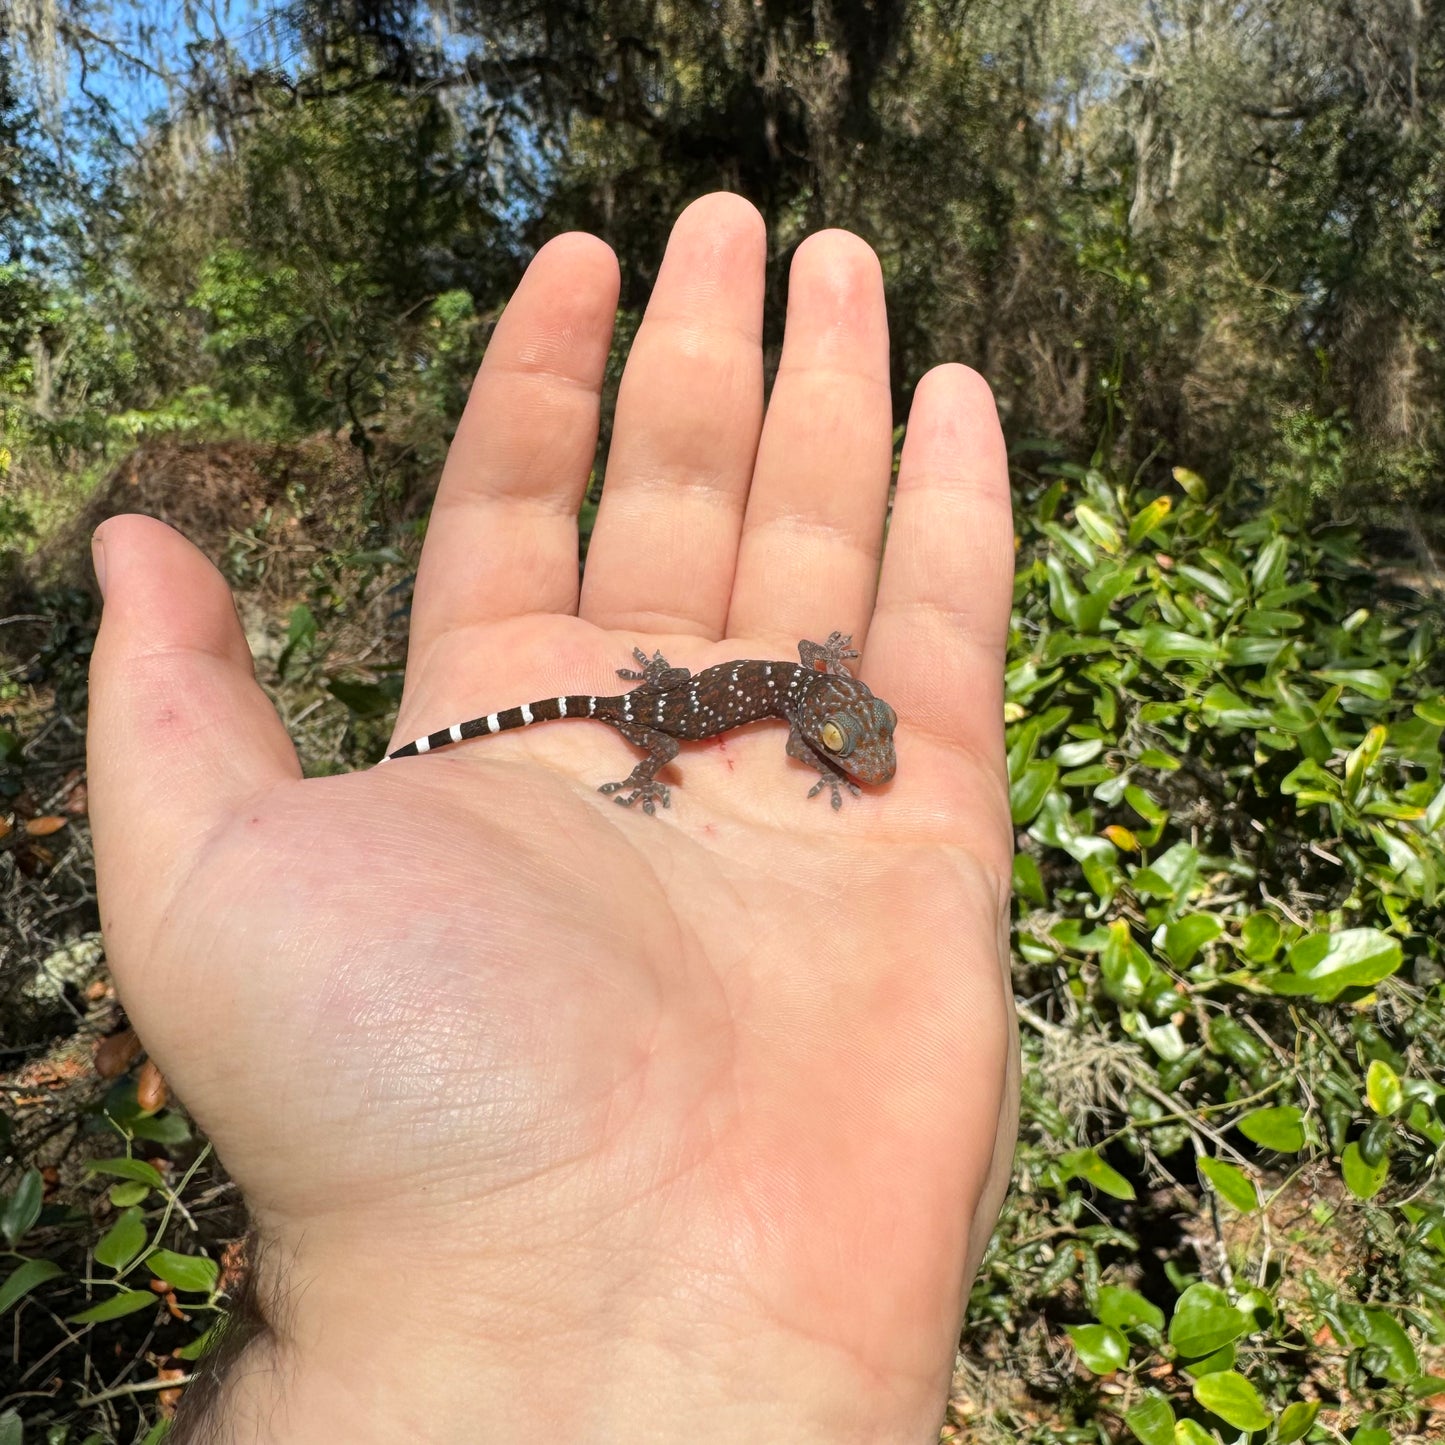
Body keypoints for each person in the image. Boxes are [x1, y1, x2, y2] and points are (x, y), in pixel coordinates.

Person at [87, 192, 1018, 1442]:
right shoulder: (795, 704)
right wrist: (665, 765)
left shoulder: (816, 690)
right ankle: (636, 754)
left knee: (674, 716)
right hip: (674, 707)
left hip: (684, 691)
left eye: (855, 742)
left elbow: (810, 679)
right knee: (667, 734)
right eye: (853, 743)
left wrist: (811, 719)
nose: (853, 746)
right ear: (834, 715)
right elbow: (798, 696)